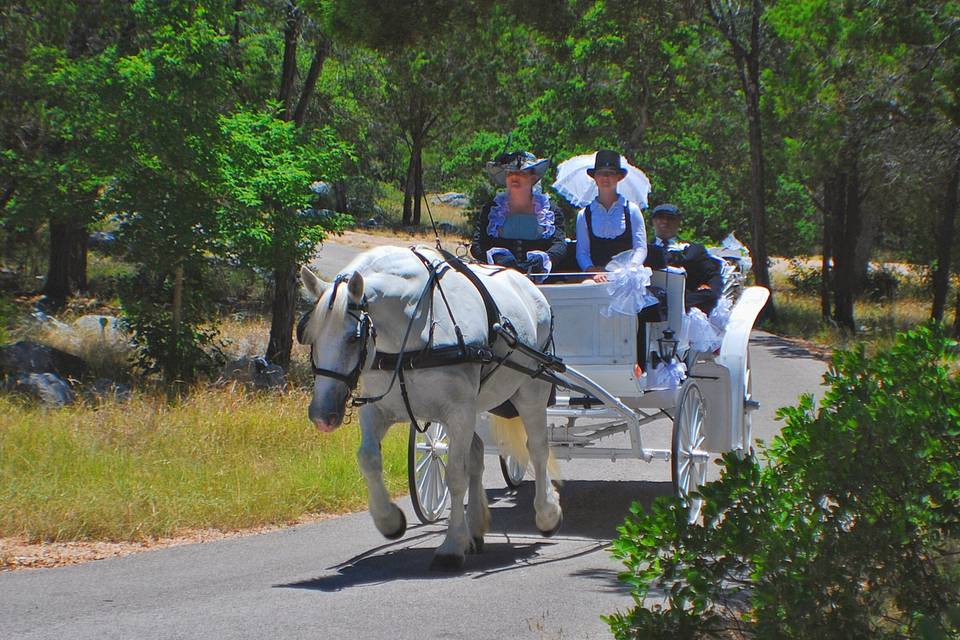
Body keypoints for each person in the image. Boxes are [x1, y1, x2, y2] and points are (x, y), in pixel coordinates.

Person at [470, 151, 566, 276]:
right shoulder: (492, 209)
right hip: (499, 280)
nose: (514, 177)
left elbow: (559, 245)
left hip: (538, 280)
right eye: (510, 173)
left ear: (533, 178)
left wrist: (543, 259)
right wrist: (496, 258)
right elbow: (477, 245)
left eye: (521, 173)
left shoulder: (550, 210)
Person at [574, 150, 648, 283]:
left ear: (619, 177)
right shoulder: (584, 215)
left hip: (627, 278)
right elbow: (582, 253)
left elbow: (640, 248)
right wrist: (592, 271)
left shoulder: (632, 211)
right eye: (601, 173)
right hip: (597, 278)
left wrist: (631, 268)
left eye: (611, 173)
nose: (605, 178)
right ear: (595, 177)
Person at [649, 203, 723, 313]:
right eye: (660, 217)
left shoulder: (693, 250)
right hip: (649, 301)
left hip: (684, 303)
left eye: (670, 218)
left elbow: (713, 275)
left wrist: (710, 289)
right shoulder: (643, 250)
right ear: (653, 221)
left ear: (678, 222)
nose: (665, 222)